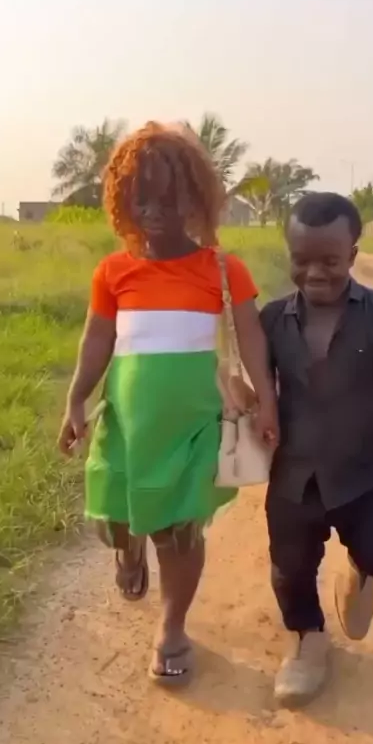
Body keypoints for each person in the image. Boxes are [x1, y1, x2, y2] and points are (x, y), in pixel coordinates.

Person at [58, 121, 277, 687]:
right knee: (117, 519)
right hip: (128, 425)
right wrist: (76, 400)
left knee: (179, 531)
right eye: (140, 199)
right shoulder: (114, 271)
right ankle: (127, 550)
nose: (153, 211)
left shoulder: (224, 270)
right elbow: (97, 340)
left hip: (193, 427)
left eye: (168, 197)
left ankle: (172, 627)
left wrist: (267, 402)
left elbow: (252, 338)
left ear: (195, 198)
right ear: (122, 202)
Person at [260, 192, 373, 705]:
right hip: (294, 477)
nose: (314, 272)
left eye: (330, 261)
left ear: (353, 256)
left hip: (362, 472)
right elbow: (250, 370)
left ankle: (361, 570)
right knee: (290, 567)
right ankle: (307, 640)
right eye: (302, 260)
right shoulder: (272, 319)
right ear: (289, 254)